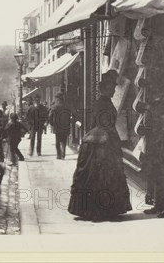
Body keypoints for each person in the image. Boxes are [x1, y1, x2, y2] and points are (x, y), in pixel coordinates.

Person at [68, 74, 132, 221]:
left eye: (114, 88)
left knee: (96, 174)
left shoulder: (103, 102)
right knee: (102, 174)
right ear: (104, 88)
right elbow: (102, 123)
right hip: (104, 141)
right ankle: (102, 209)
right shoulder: (102, 103)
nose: (114, 91)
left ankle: (99, 208)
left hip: (98, 139)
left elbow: (93, 124)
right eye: (111, 88)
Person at [48, 92, 73, 159]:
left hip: (57, 126)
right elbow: (73, 115)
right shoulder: (67, 106)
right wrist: (70, 122)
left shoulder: (54, 107)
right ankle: (63, 152)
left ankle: (59, 155)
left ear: (57, 99)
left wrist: (52, 124)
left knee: (57, 141)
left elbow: (50, 116)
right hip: (65, 126)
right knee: (64, 140)